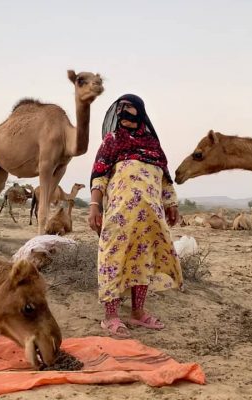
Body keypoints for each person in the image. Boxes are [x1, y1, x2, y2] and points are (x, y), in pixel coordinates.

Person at [88, 94, 182, 338]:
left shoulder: (152, 145)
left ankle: (138, 313)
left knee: (144, 260)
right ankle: (111, 317)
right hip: (120, 217)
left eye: (128, 109)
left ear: (139, 112)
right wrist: (94, 206)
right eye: (120, 110)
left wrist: (171, 204)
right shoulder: (113, 140)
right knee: (113, 259)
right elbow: (100, 175)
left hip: (151, 217)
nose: (123, 115)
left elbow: (165, 179)